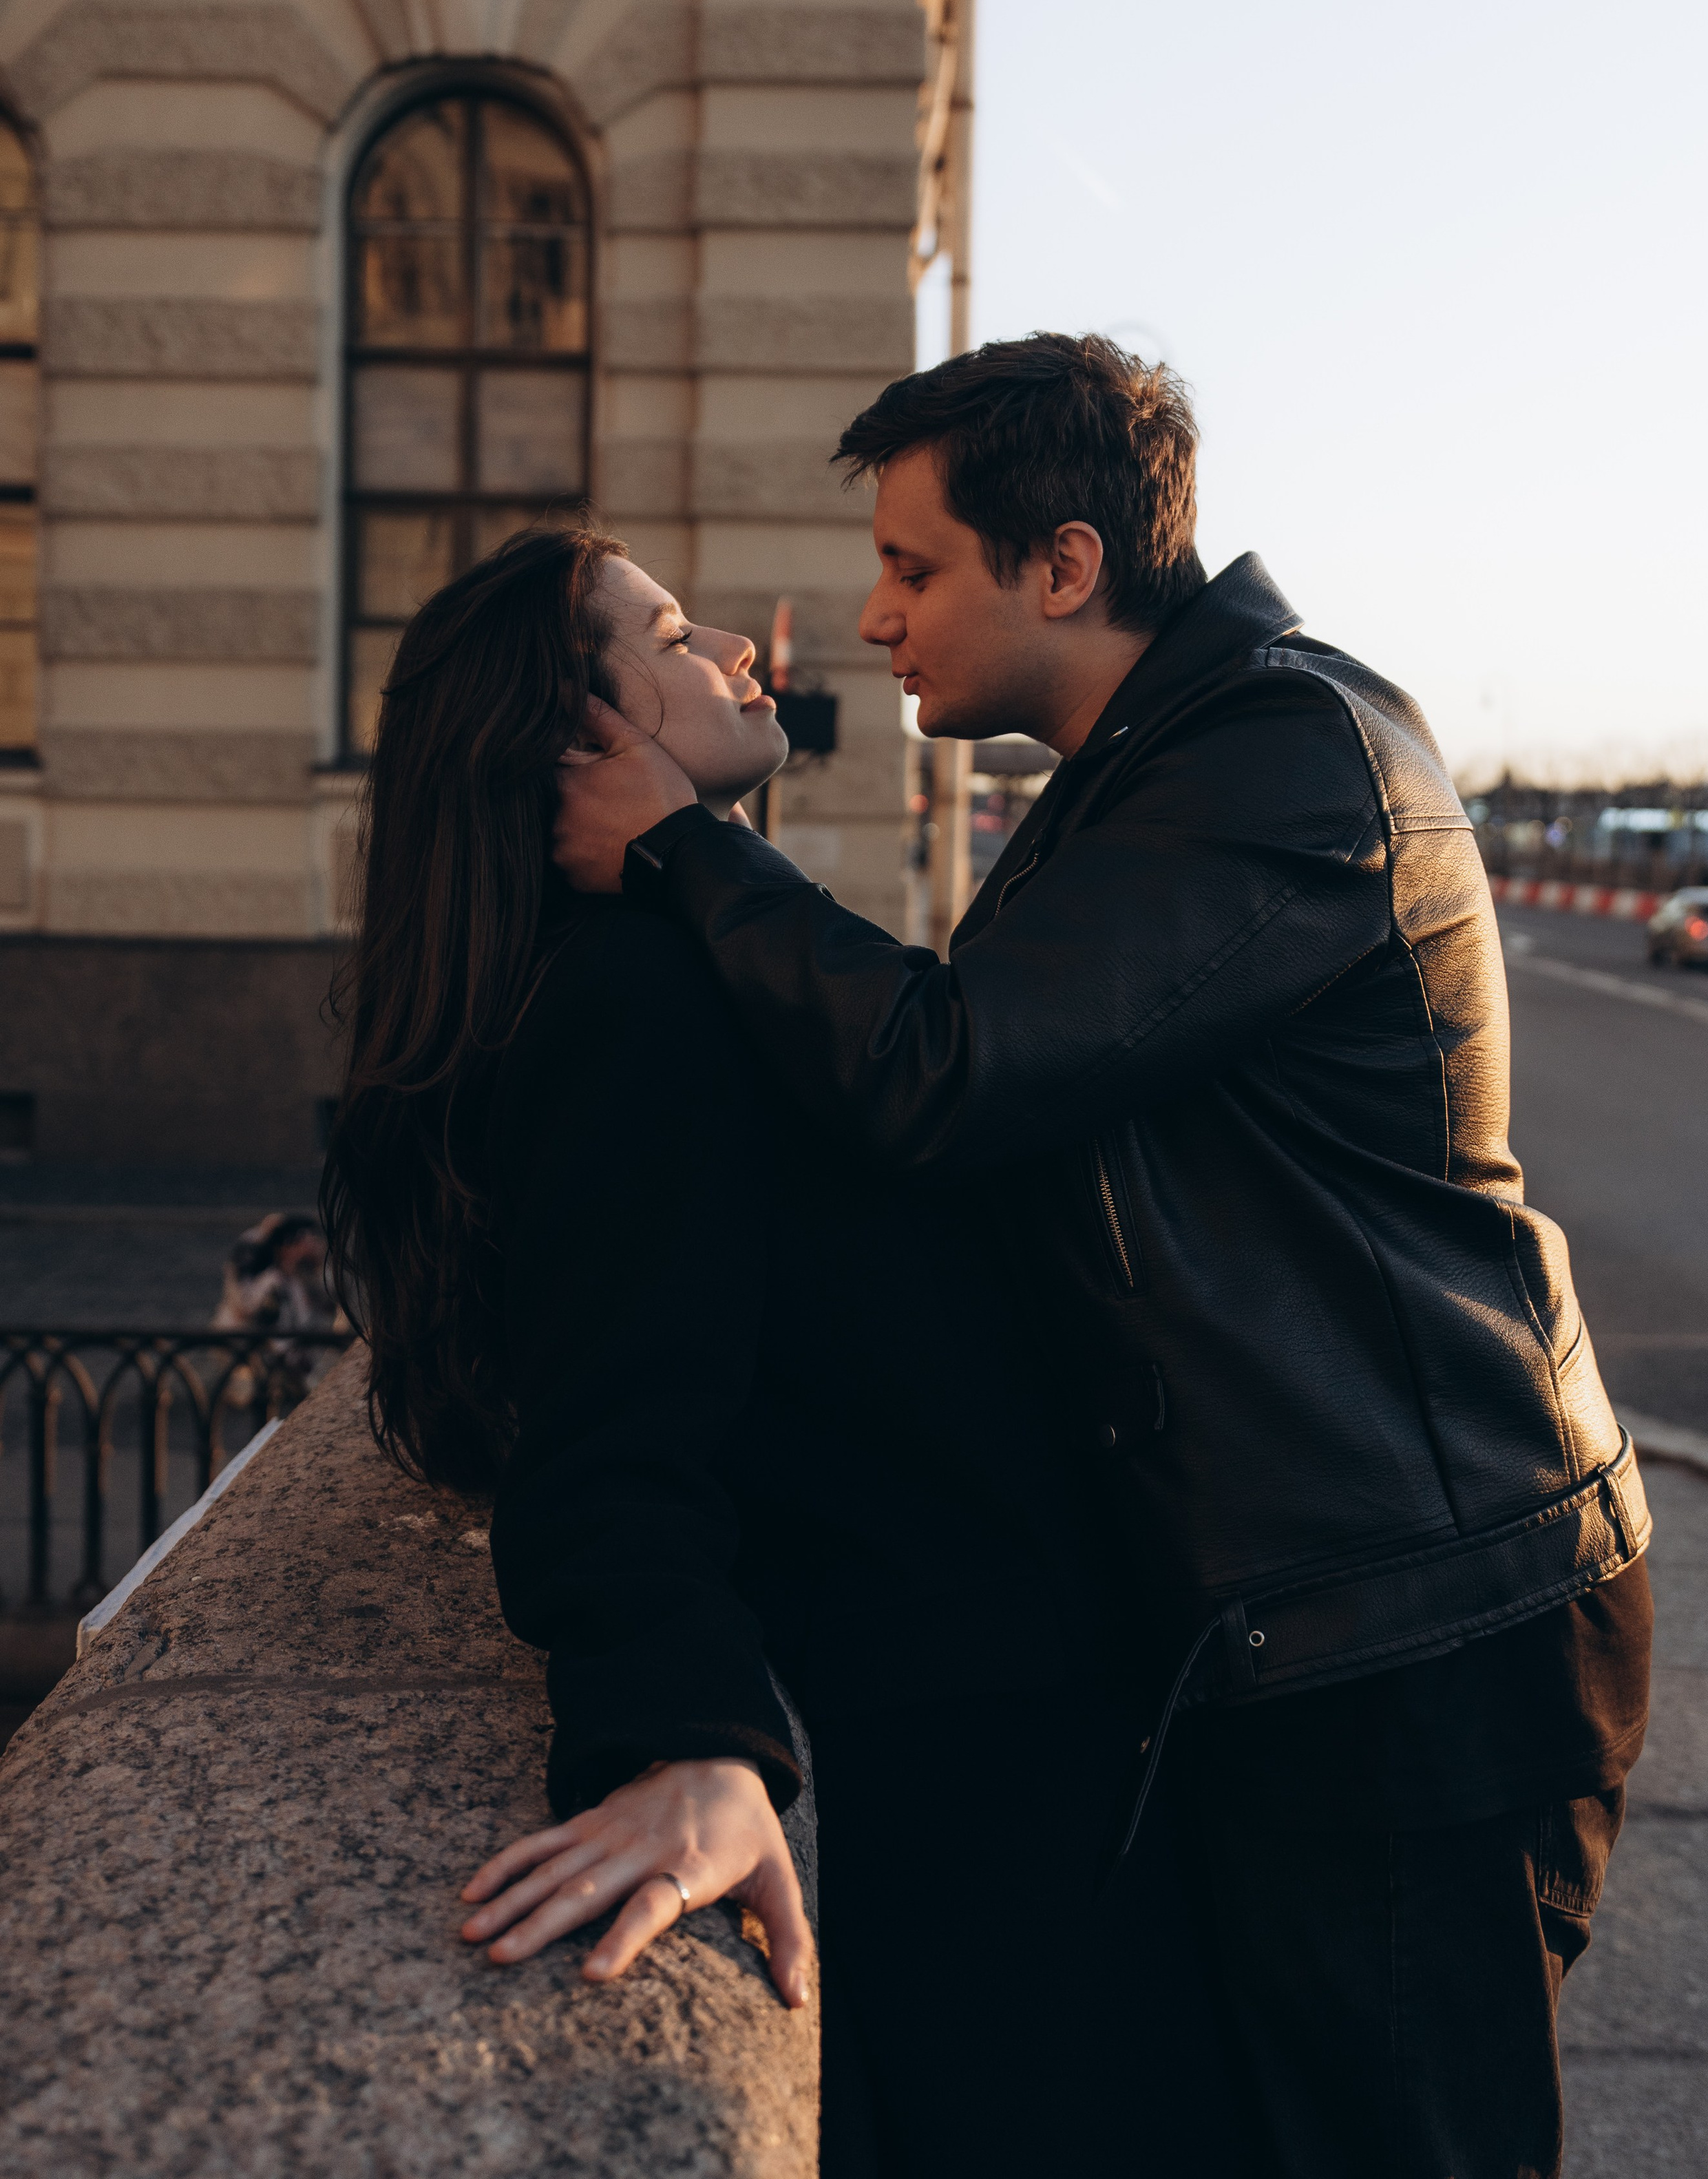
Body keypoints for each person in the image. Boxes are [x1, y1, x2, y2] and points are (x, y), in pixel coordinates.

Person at [553, 332, 1655, 2179]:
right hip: (1316, 1609)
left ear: (1064, 566)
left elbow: (953, 1071)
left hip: (1425, 1619)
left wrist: (690, 859)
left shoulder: (1289, 752)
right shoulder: (1140, 775)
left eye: (915, 568)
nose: (874, 616)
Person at [319, 522, 1250, 2179]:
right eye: (673, 634)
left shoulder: (661, 950)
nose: (742, 652)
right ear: (576, 733)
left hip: (1002, 1712)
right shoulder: (632, 996)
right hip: (977, 1751)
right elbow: (611, 1423)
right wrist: (685, 1740)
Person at [212, 1211, 332, 1405]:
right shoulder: (268, 1273)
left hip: (282, 1351)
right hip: (247, 1340)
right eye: (300, 1241)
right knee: (248, 1396)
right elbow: (248, 1305)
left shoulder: (292, 1277)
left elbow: (327, 1301)